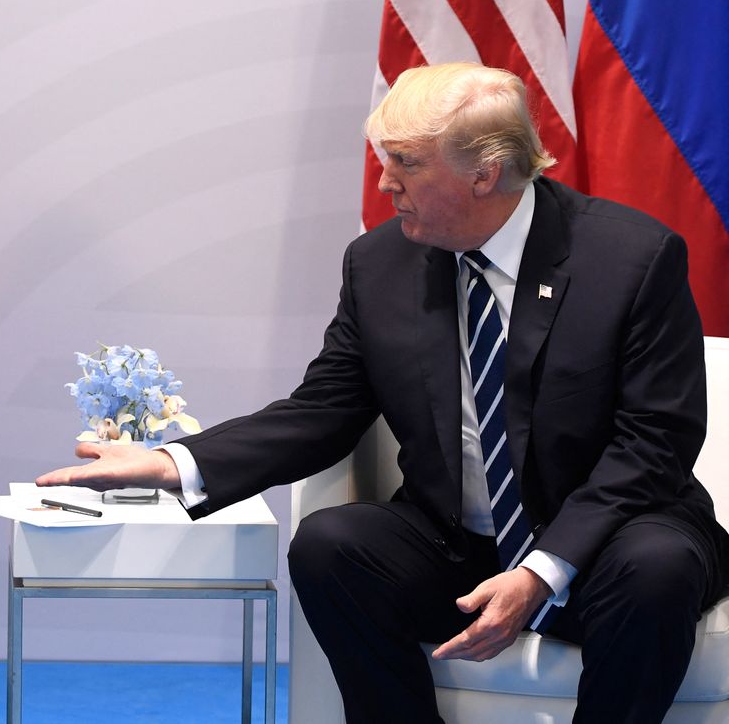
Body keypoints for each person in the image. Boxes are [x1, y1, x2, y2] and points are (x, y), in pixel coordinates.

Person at [37, 62, 729, 723]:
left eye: (407, 161)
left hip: (607, 539)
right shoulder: (381, 263)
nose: (384, 179)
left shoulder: (630, 258)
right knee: (331, 544)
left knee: (657, 568)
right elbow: (324, 410)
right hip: (460, 545)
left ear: (485, 173)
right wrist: (175, 463)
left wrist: (543, 569)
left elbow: (654, 440)